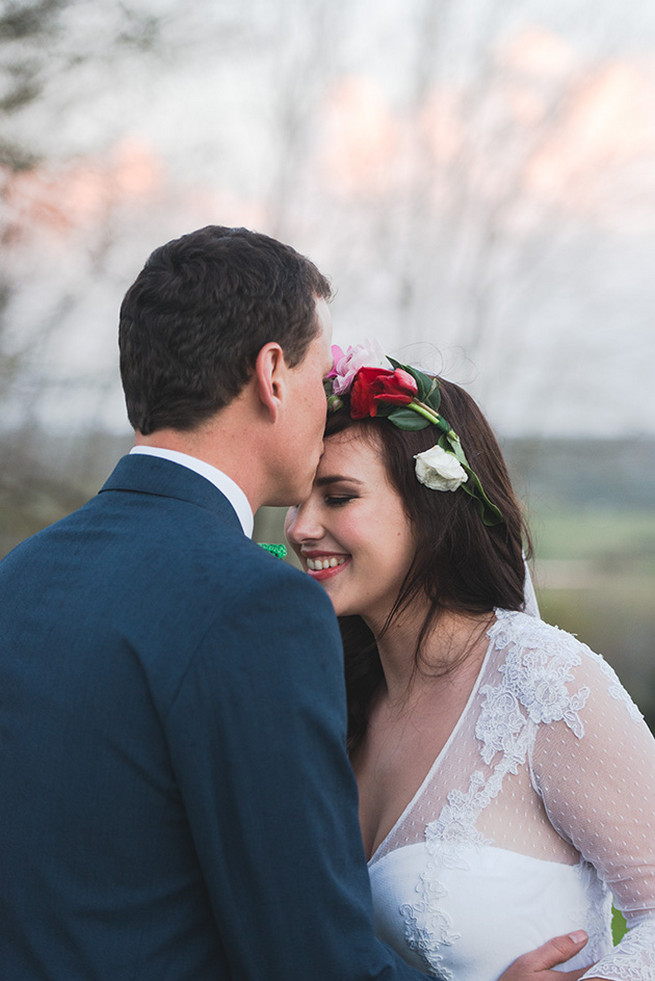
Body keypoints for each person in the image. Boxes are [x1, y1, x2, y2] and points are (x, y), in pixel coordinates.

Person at [0, 226, 588, 980]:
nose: (325, 402)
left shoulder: (23, 575)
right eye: (318, 373)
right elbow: (304, 951)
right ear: (272, 373)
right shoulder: (255, 605)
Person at [286, 341, 655, 981]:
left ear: (430, 507)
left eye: (338, 496)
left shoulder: (544, 683)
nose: (299, 526)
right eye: (297, 498)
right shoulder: (329, 696)